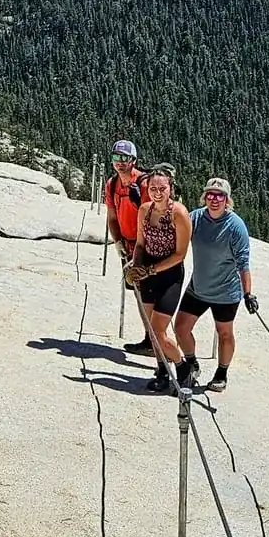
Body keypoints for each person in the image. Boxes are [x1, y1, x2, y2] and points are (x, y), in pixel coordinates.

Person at [174, 176, 255, 393]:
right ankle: (191, 363)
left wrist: (248, 293)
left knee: (224, 332)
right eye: (210, 194)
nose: (214, 199)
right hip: (198, 287)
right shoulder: (196, 218)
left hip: (226, 292)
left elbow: (243, 262)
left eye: (219, 195)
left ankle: (222, 373)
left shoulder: (236, 227)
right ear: (205, 197)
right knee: (180, 328)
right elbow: (178, 234)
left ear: (227, 199)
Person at [127, 164, 192, 394]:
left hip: (170, 275)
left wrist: (150, 270)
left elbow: (180, 254)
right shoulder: (144, 210)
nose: (157, 192)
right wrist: (136, 266)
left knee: (159, 331)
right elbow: (140, 244)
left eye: (162, 188)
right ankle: (162, 371)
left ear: (170, 188)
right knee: (151, 329)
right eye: (153, 188)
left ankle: (184, 367)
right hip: (148, 273)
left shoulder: (180, 214)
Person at [102, 141, 153, 356]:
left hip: (147, 246)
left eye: (124, 158)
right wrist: (118, 243)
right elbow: (112, 217)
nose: (120, 163)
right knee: (139, 293)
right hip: (128, 246)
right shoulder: (112, 184)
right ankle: (150, 339)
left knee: (150, 295)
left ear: (133, 160)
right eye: (116, 158)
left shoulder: (143, 183)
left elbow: (153, 216)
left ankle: (156, 340)